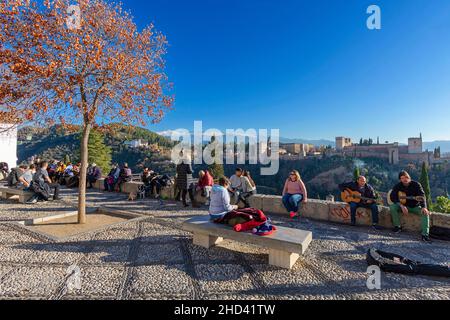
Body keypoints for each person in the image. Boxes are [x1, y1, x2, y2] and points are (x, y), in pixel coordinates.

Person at [390, 171, 431, 243]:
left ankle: (425, 235)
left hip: (415, 206)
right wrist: (401, 205)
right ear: (400, 179)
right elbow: (392, 196)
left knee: (425, 213)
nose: (405, 179)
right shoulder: (398, 186)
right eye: (402, 178)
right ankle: (397, 227)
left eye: (406, 177)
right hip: (404, 206)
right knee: (393, 207)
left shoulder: (416, 185)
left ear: (409, 177)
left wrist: (424, 207)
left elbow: (422, 196)